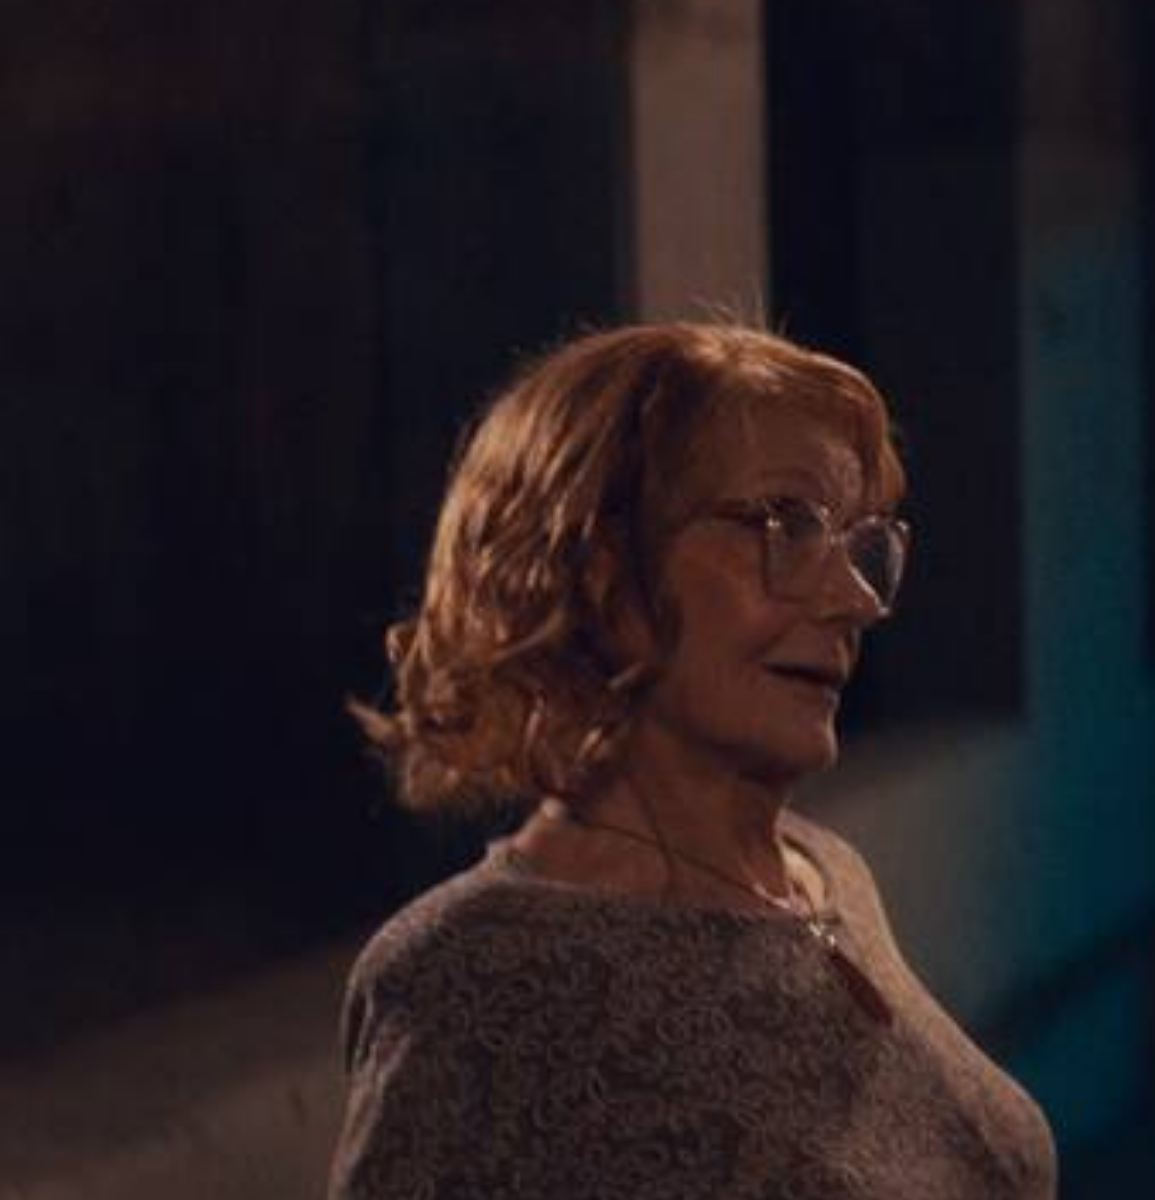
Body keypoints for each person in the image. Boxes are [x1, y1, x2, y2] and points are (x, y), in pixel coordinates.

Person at [332, 323, 1055, 1199]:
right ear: (601, 576)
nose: (858, 598)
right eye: (787, 524)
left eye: (864, 542)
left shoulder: (821, 875)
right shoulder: (471, 982)